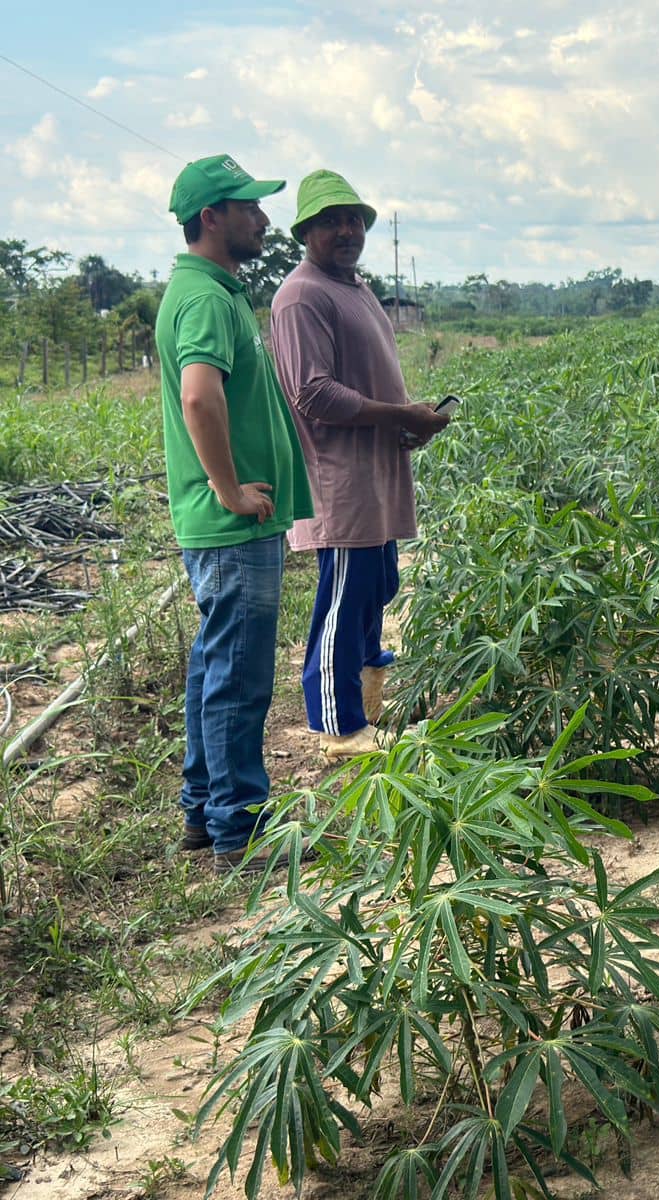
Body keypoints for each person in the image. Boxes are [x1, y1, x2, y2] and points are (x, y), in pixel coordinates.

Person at [155, 154, 314, 873]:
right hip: (231, 524)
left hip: (228, 526)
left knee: (214, 669)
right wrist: (229, 489)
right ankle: (241, 832)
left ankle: (204, 811)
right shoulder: (206, 300)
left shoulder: (211, 290)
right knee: (239, 679)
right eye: (248, 207)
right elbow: (199, 395)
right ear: (211, 217)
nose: (263, 219)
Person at [269, 170, 451, 759]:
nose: (346, 230)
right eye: (330, 220)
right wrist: (399, 412)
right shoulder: (301, 295)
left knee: (379, 585)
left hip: (376, 473)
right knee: (344, 600)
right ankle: (337, 725)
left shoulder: (356, 287)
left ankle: (369, 703)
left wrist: (406, 421)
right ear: (305, 231)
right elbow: (313, 394)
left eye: (353, 219)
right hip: (339, 482)